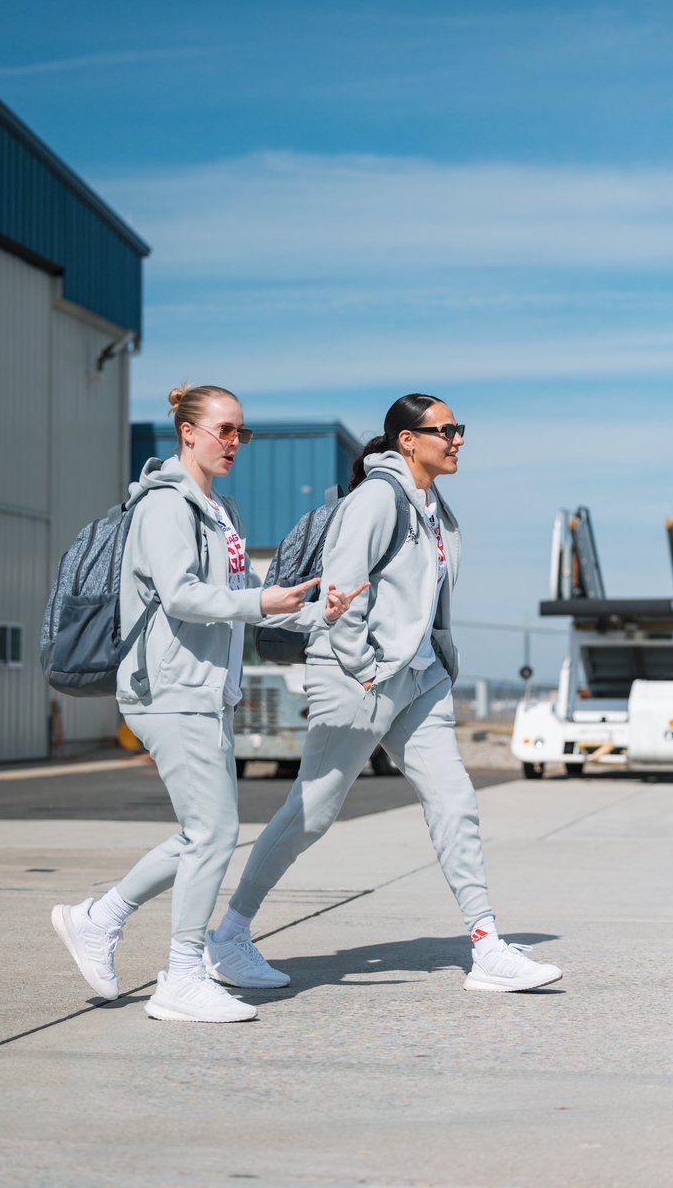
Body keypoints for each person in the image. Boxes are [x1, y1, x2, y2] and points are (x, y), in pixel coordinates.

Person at [207, 393, 563, 994]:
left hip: (419, 679)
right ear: (407, 439)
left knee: (455, 803)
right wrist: (364, 668)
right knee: (310, 814)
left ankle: (485, 945)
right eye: (446, 430)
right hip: (359, 677)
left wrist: (435, 664)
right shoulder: (375, 499)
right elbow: (343, 594)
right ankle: (228, 936)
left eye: (460, 429)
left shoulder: (436, 509)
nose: (458, 439)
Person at [51, 383, 366, 1023]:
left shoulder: (221, 510)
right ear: (187, 431)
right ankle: (182, 976)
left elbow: (242, 597)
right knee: (215, 831)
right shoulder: (165, 506)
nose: (234, 443)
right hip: (166, 689)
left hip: (204, 691)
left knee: (203, 832)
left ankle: (98, 918)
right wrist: (260, 602)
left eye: (241, 432)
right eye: (224, 430)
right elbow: (182, 596)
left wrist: (311, 613)